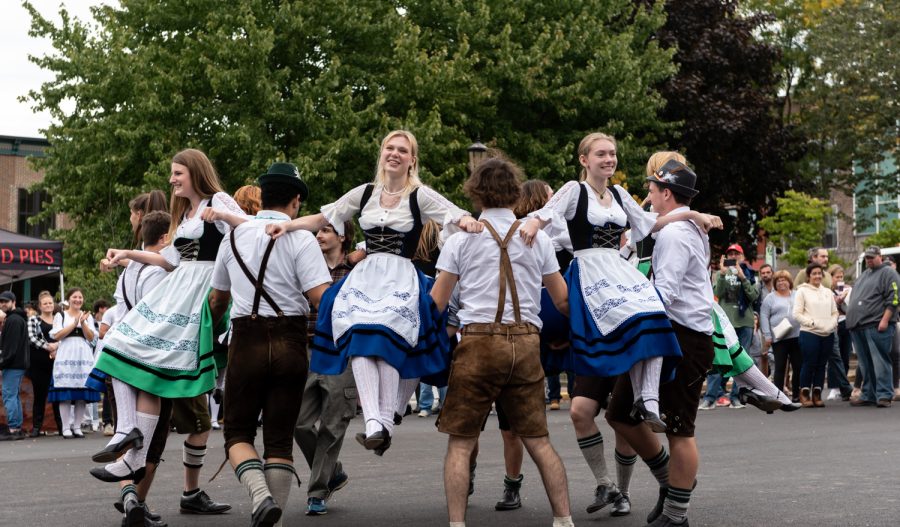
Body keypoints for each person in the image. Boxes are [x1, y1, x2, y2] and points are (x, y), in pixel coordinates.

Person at [269, 130, 480, 452]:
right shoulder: (364, 193)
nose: (394, 153)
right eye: (389, 148)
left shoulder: (419, 195)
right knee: (361, 340)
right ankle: (375, 424)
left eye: (402, 150)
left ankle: (385, 417)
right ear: (382, 154)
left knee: (390, 342)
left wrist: (467, 222)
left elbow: (454, 213)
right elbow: (325, 217)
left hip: (399, 276)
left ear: (412, 160)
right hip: (366, 278)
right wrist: (288, 224)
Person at [520, 134, 719, 432]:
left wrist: (691, 213)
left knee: (653, 310)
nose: (609, 159)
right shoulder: (575, 190)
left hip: (616, 269)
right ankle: (635, 396)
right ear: (584, 160)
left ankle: (647, 399)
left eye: (612, 153)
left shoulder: (620, 194)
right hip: (589, 269)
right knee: (637, 317)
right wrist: (534, 224)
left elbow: (649, 223)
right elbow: (547, 213)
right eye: (601, 154)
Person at [92, 149, 241, 516]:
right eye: (172, 174)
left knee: (140, 360)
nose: (172, 179)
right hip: (178, 290)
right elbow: (168, 260)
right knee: (120, 349)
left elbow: (248, 228)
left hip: (199, 293)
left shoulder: (215, 200)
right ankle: (129, 436)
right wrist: (125, 253)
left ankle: (132, 452)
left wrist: (222, 214)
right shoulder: (186, 214)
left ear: (195, 173)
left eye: (178, 173)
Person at [430, 156, 574, 527]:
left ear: (476, 195)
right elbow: (561, 300)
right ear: (515, 194)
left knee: (461, 443)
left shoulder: (462, 240)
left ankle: (457, 524)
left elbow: (438, 303)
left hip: (478, 342)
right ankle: (563, 519)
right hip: (526, 340)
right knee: (538, 440)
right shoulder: (537, 238)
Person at [209, 162, 331, 527]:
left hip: (245, 340)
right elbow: (320, 298)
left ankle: (259, 495)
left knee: (238, 433)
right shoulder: (302, 238)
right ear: (295, 202)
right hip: (291, 341)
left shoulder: (232, 236)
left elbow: (217, 299)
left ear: (262, 196)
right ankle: (270, 517)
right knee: (279, 440)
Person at [606, 159, 715, 527]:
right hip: (668, 336)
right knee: (620, 412)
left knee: (679, 429)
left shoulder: (675, 234)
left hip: (682, 337)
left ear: (666, 193)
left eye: (652, 190)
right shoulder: (682, 226)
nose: (648, 197)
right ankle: (672, 481)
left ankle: (676, 513)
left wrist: (623, 311)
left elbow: (664, 295)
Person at [294, 220, 358, 516]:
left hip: (342, 351)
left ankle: (317, 491)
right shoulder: (308, 265)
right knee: (299, 423)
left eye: (326, 231)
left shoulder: (359, 268)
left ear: (342, 237)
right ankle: (332, 471)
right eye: (318, 231)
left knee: (332, 425)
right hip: (307, 348)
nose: (318, 235)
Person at [702, 243, 759, 409]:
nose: (733, 257)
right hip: (725, 322)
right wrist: (721, 274)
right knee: (719, 356)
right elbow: (716, 294)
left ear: (742, 257)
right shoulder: (723, 273)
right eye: (730, 254)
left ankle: (736, 396)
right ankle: (711, 397)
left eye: (737, 254)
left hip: (744, 321)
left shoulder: (749, 272)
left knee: (743, 359)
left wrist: (743, 277)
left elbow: (754, 296)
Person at [846, 246, 900, 408]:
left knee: (880, 360)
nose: (869, 260)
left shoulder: (888, 273)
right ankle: (869, 393)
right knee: (865, 363)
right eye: (867, 258)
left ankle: (884, 394)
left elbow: (895, 298)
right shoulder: (864, 275)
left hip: (876, 324)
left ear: (880, 257)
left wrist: (885, 320)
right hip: (859, 325)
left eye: (872, 257)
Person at [48, 288, 99, 438]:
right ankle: (65, 427)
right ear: (69, 299)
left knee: (81, 394)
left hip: (83, 354)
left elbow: (91, 338)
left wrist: (82, 323)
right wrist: (74, 323)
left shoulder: (87, 316)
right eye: (75, 297)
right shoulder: (61, 315)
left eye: (80, 297)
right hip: (66, 353)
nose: (78, 300)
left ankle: (77, 426)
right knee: (65, 392)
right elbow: (57, 335)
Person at [792, 263, 837, 408]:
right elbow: (796, 314)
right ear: (808, 276)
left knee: (822, 364)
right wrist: (811, 323)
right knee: (809, 363)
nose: (817, 276)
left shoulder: (828, 292)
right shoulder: (802, 291)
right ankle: (804, 393)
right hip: (810, 333)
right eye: (814, 274)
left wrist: (832, 324)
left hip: (827, 332)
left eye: (819, 273)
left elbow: (834, 312)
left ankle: (817, 393)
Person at [759, 271, 802, 402]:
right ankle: (779, 396)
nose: (781, 283)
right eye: (778, 281)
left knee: (798, 366)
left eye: (784, 280)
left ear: (790, 282)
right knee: (780, 367)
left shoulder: (797, 295)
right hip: (779, 338)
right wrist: (767, 335)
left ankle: (796, 395)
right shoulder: (770, 298)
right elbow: (764, 316)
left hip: (797, 335)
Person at [26, 291, 64, 437]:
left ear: (53, 305)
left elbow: (67, 336)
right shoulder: (34, 320)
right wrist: (49, 346)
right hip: (39, 363)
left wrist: (58, 346)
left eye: (50, 303)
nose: (48, 305)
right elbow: (32, 337)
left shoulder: (59, 319)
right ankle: (37, 427)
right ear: (40, 306)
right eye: (45, 303)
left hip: (58, 363)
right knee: (39, 396)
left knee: (58, 396)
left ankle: (62, 426)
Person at [0, 291, 30, 441]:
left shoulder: (13, 320)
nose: (3, 304)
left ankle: (13, 428)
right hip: (17, 364)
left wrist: (2, 363)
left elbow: (10, 348)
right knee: (13, 395)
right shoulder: (17, 318)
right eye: (1, 302)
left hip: (13, 364)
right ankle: (16, 428)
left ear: (13, 301)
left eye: (6, 301)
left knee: (9, 395)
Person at [826, 265, 853, 401]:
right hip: (835, 323)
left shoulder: (848, 289)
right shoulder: (827, 291)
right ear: (831, 277)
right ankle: (833, 387)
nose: (839, 279)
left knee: (845, 355)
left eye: (841, 277)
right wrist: (840, 299)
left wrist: (847, 295)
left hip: (847, 323)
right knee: (835, 358)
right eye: (837, 277)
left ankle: (844, 386)